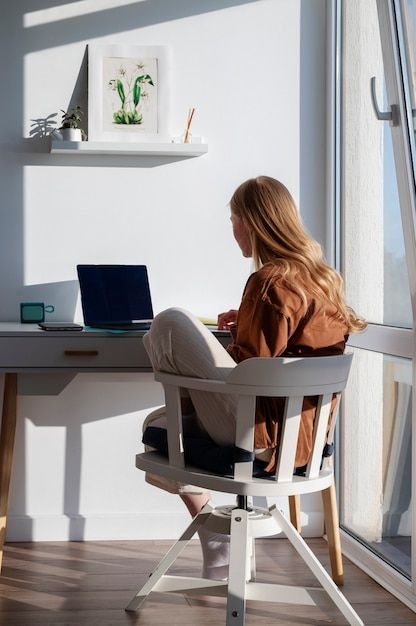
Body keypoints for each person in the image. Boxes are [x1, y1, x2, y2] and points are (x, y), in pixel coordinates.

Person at [142, 175, 366, 580]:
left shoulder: (269, 281)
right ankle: (219, 541)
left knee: (168, 326)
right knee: (160, 423)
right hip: (305, 446)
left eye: (234, 218)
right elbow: (276, 359)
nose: (232, 229)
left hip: (262, 442)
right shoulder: (322, 280)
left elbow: (247, 373)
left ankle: (217, 540)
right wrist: (244, 324)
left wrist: (216, 351)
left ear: (254, 221)